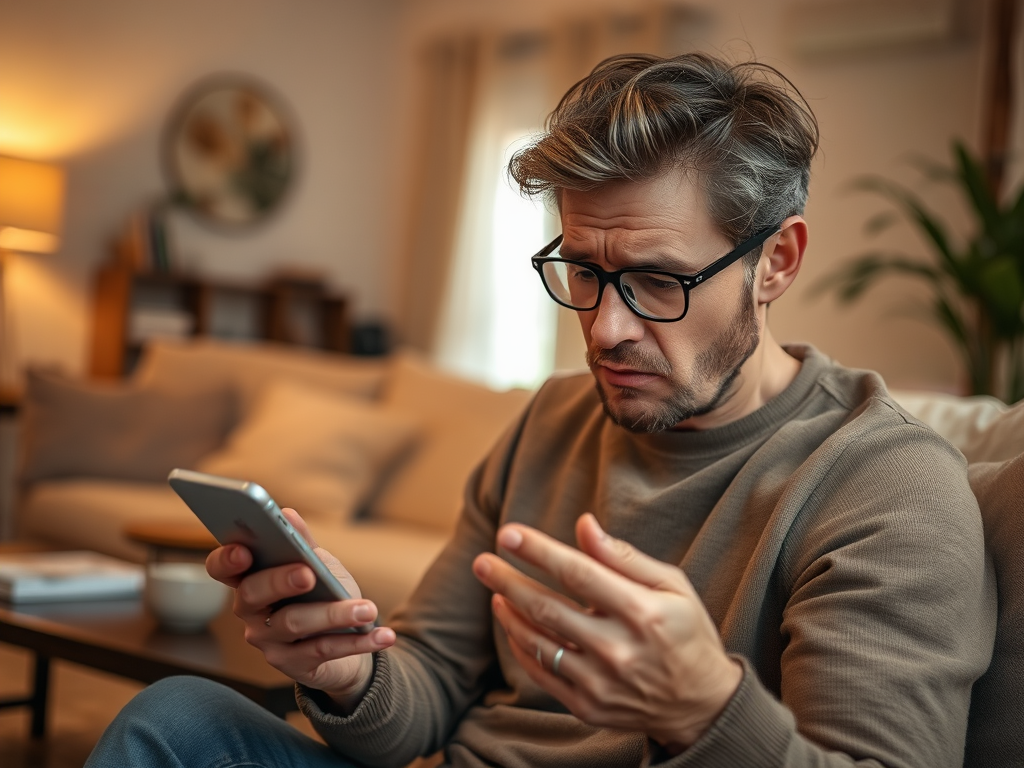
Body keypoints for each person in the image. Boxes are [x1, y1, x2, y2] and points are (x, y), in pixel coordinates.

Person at [86, 52, 995, 768]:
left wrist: (703, 709)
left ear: (778, 262)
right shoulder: (552, 421)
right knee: (177, 718)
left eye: (654, 280)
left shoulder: (888, 486)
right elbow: (432, 686)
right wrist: (348, 670)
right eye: (585, 274)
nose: (604, 330)